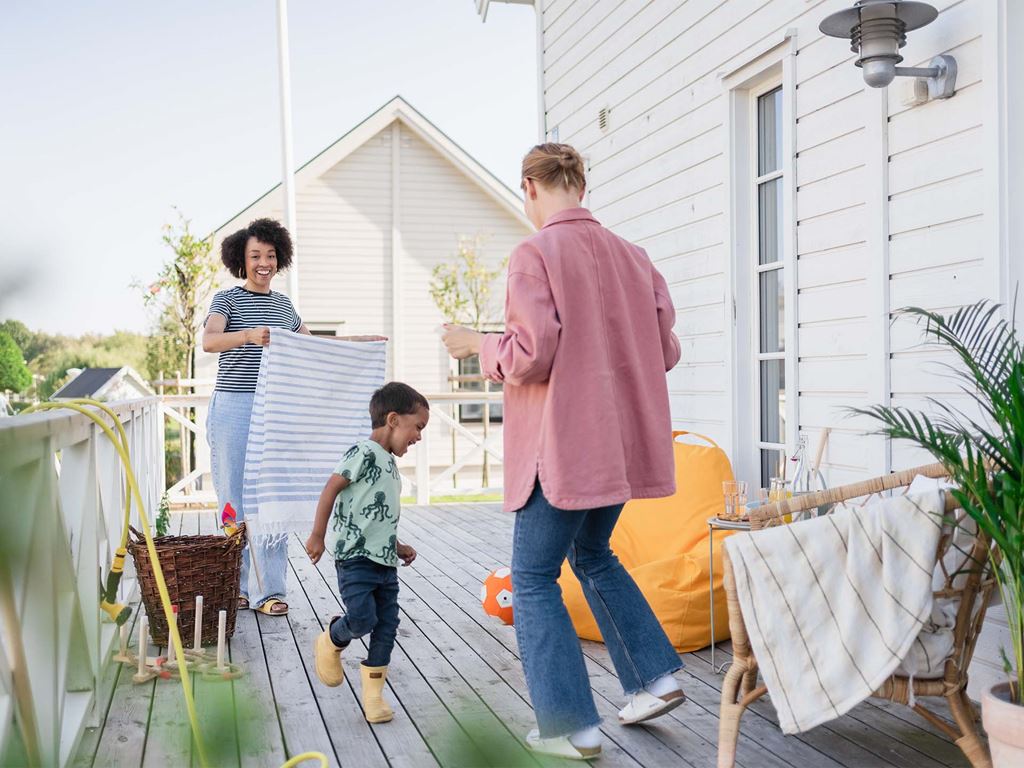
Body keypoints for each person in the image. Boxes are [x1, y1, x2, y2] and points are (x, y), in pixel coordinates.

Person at [442, 143, 684, 760]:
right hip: (621, 449)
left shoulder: (535, 253)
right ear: (579, 183)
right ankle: (656, 678)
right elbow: (666, 352)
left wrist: (477, 344)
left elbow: (528, 355)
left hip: (564, 449)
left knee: (531, 577)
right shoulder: (634, 258)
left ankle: (569, 726)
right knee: (593, 553)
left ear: (530, 186)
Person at [203, 217, 382, 616]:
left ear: (279, 257)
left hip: (274, 410)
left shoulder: (283, 305)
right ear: (241, 260)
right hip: (233, 407)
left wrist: (358, 344)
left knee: (271, 496)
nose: (263, 262)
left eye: (270, 255)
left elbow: (313, 348)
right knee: (233, 500)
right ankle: (237, 588)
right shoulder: (226, 300)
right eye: (255, 255)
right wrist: (249, 335)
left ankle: (272, 592)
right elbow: (210, 340)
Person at [305, 382, 428, 724]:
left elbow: (378, 516)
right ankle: (331, 639)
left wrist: (398, 545)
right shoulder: (362, 451)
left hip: (385, 563)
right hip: (355, 558)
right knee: (362, 618)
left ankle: (373, 697)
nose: (418, 436)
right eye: (417, 427)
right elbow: (331, 489)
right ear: (393, 419)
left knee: (386, 625)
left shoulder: (390, 465)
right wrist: (317, 534)